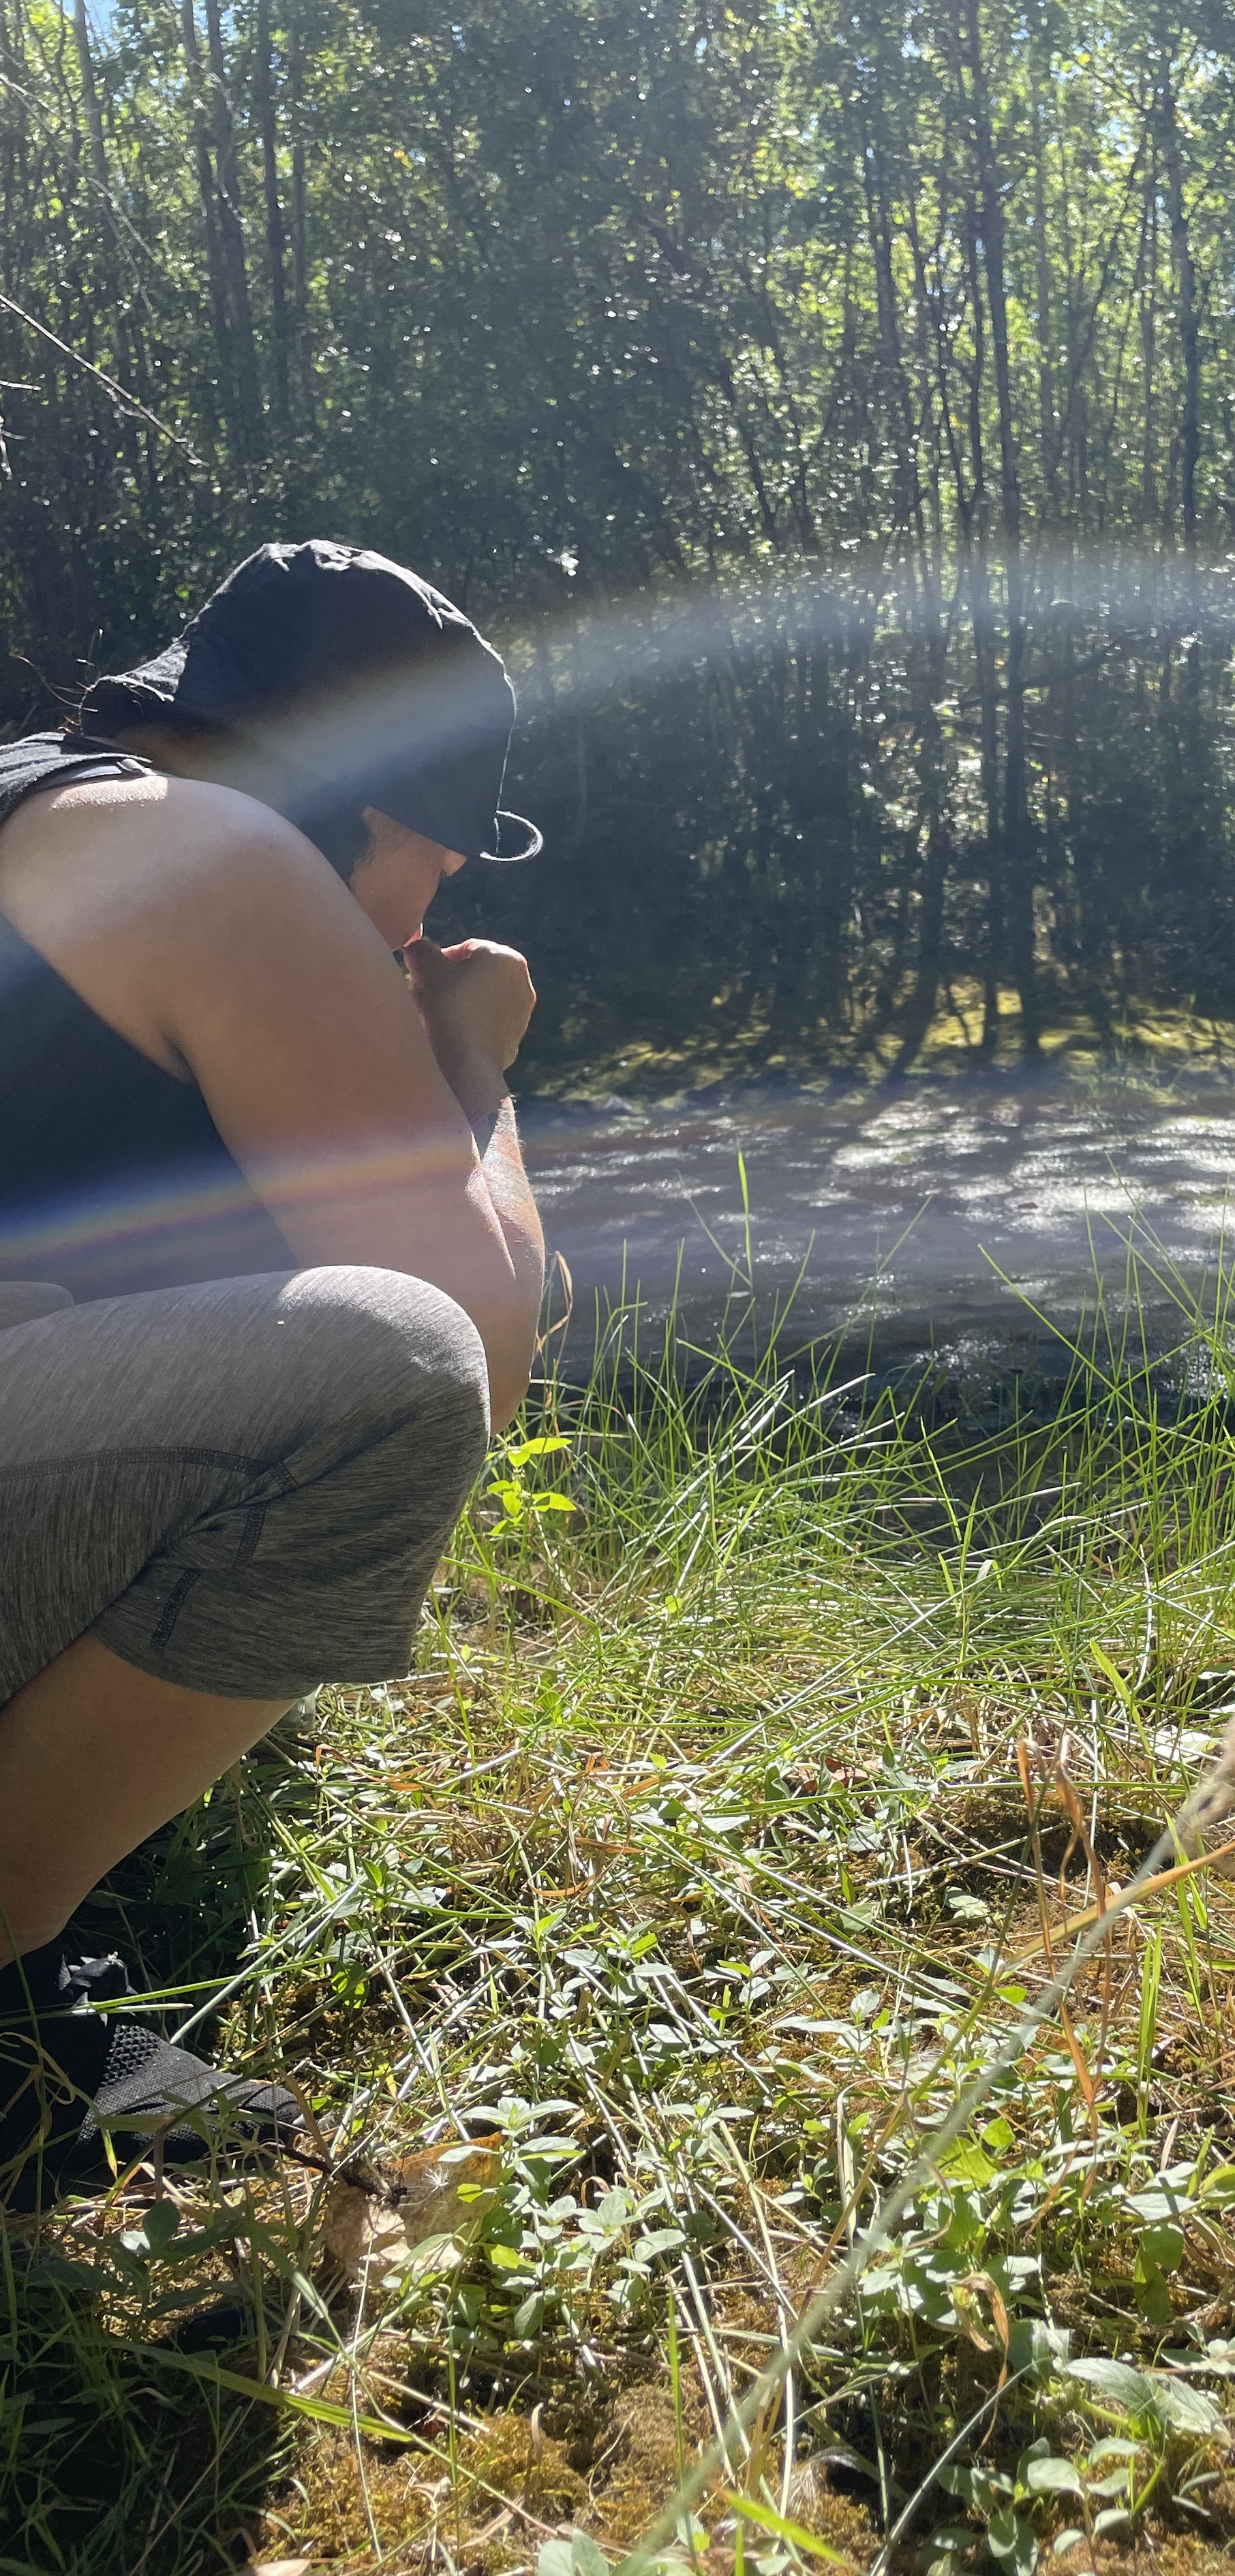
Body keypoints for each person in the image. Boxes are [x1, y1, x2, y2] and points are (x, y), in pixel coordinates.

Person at [0, 538, 547, 2202]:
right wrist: (475, 1075)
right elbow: (488, 1343)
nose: (431, 906)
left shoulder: (44, 804)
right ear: (377, 806)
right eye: (440, 863)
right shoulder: (223, 863)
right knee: (390, 1375)